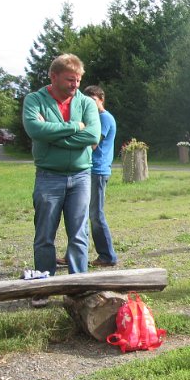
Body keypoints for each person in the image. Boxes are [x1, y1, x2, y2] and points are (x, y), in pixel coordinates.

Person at [22, 54, 101, 306]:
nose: (75, 85)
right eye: (70, 79)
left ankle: (79, 288)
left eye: (78, 80)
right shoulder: (35, 100)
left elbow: (93, 135)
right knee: (45, 234)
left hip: (80, 176)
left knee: (79, 233)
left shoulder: (87, 103)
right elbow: (35, 130)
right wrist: (75, 127)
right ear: (53, 76)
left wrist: (54, 135)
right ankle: (43, 288)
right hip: (48, 177)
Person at [82, 85, 118, 267]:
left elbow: (93, 144)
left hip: (98, 171)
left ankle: (107, 256)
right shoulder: (93, 119)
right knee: (80, 214)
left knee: (96, 215)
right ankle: (75, 254)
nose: (90, 103)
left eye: (93, 100)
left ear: (101, 99)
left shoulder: (104, 118)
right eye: (87, 100)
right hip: (88, 170)